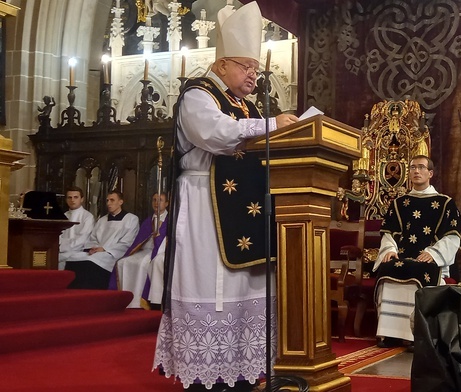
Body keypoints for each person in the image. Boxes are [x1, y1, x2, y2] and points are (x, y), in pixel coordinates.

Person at [152, 2, 299, 391]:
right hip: (205, 202)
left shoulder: (246, 104)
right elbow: (214, 134)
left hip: (243, 204)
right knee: (212, 283)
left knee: (245, 283)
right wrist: (271, 123)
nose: (254, 74)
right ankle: (209, 374)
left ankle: (240, 367)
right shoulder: (198, 95)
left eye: (255, 68)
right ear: (221, 66)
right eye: (245, 66)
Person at [373, 155, 461, 348]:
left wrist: (434, 253)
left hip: (428, 259)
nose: (416, 171)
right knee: (387, 268)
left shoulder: (445, 203)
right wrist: (389, 249)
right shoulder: (399, 203)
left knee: (421, 270)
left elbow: (453, 236)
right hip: (402, 255)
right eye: (413, 167)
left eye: (421, 167)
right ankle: (390, 333)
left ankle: (418, 334)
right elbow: (389, 232)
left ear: (430, 173)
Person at [65, 190, 139, 289]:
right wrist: (93, 248)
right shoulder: (102, 220)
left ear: (120, 202)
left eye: (112, 200)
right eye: (107, 200)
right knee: (74, 257)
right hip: (97, 251)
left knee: (91, 261)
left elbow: (127, 242)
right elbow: (93, 238)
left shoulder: (131, 219)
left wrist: (104, 249)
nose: (108, 203)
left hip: (113, 253)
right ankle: (73, 292)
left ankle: (90, 291)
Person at [112, 192, 168, 309]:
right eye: (154, 200)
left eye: (160, 200)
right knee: (123, 262)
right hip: (145, 250)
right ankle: (124, 300)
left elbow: (165, 241)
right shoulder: (148, 221)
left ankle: (138, 300)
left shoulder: (169, 220)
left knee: (143, 264)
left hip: (159, 251)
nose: (156, 203)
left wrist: (158, 235)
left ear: (167, 203)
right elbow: (139, 240)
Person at [58, 186, 95, 270]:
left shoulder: (88, 217)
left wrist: (63, 247)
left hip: (78, 251)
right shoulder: (63, 216)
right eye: (69, 197)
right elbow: (58, 235)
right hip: (61, 250)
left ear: (82, 199)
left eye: (76, 197)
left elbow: (83, 239)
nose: (72, 200)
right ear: (66, 199)